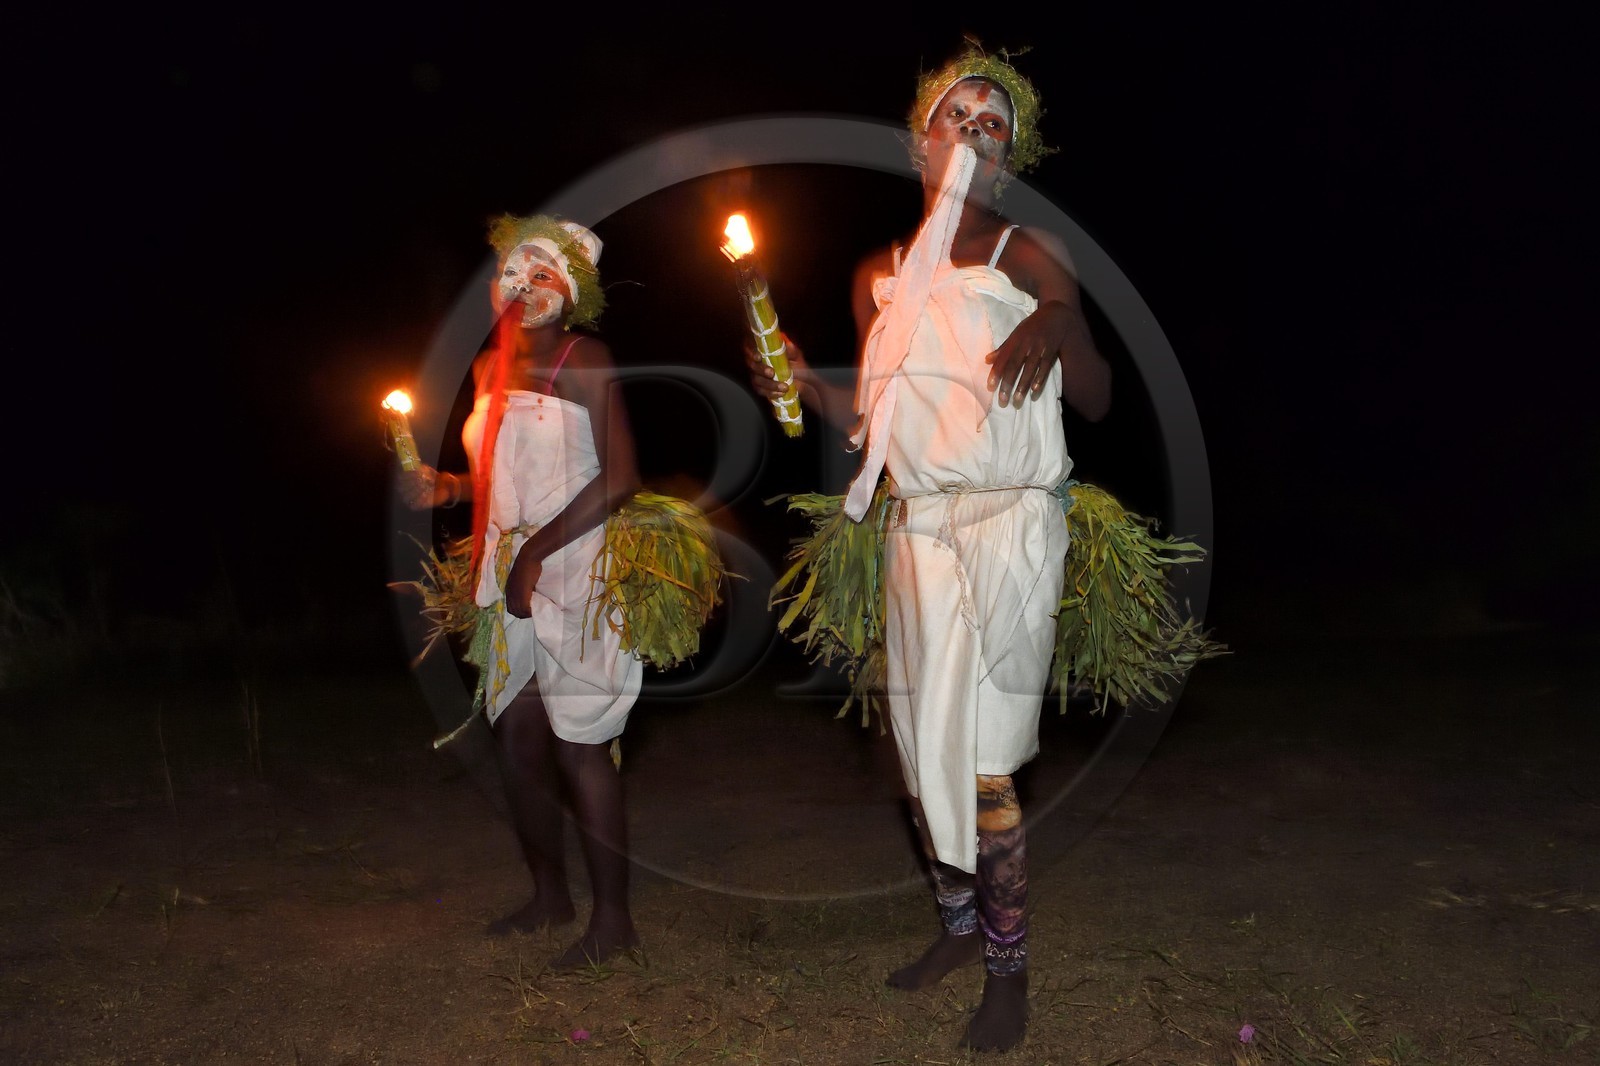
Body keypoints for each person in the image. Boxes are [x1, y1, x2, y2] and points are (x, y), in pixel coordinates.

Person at [748, 44, 1111, 1052]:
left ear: (1009, 157)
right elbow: (869, 423)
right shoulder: (880, 277)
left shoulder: (1029, 251)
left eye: (994, 124)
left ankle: (1007, 973)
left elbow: (1095, 395)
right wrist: (795, 380)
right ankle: (956, 929)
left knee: (986, 760)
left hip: (1009, 524)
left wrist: (1057, 318)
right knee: (919, 748)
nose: (976, 132)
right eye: (960, 116)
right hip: (913, 529)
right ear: (921, 143)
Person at [404, 214, 644, 969]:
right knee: (517, 742)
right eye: (515, 271)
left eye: (545, 274)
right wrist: (447, 487)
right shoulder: (487, 369)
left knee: (581, 747)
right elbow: (495, 477)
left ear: (572, 293)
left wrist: (535, 556)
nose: (525, 285)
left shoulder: (584, 357)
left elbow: (621, 477)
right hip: (509, 573)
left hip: (575, 565)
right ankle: (549, 896)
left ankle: (614, 922)